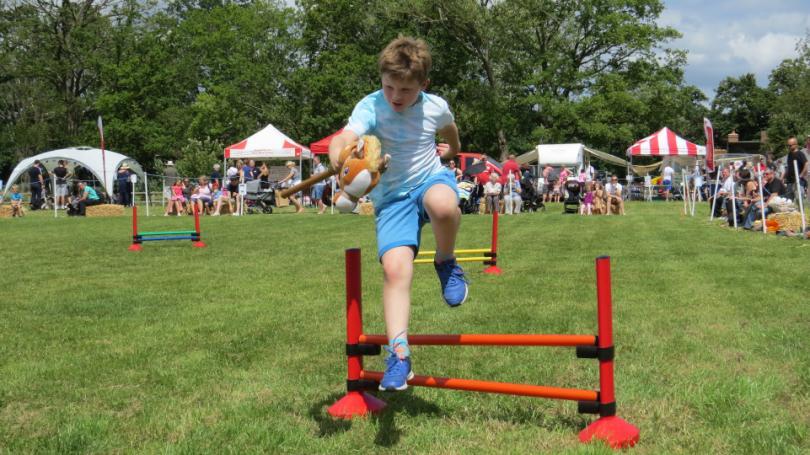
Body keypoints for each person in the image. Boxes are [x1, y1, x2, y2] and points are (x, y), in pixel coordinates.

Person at [327, 36, 466, 391]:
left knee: (443, 204)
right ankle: (399, 355)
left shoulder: (435, 106)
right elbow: (342, 139)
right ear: (382, 80)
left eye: (405, 89)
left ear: (424, 85)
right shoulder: (371, 106)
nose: (396, 97)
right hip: (392, 199)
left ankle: (445, 261)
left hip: (428, 179)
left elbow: (450, 130)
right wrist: (341, 159)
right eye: (389, 87)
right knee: (395, 270)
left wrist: (452, 149)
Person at [784, 136, 807, 200]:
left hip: (798, 181)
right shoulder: (789, 154)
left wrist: (801, 175)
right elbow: (788, 167)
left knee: (799, 199)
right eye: (788, 145)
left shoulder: (800, 154)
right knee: (789, 199)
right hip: (790, 181)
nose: (789, 147)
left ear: (795, 144)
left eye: (790, 145)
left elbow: (806, 163)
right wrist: (783, 177)